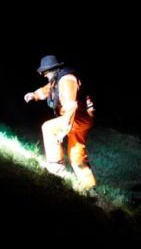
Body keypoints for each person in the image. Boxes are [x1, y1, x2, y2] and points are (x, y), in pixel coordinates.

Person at [24, 55, 97, 191]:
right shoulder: (57, 79)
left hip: (78, 118)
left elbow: (71, 106)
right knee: (76, 154)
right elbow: (48, 89)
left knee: (48, 128)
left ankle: (56, 170)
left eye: (45, 72)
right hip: (82, 119)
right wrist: (34, 95)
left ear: (53, 69)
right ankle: (90, 188)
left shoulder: (67, 80)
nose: (44, 75)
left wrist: (64, 129)